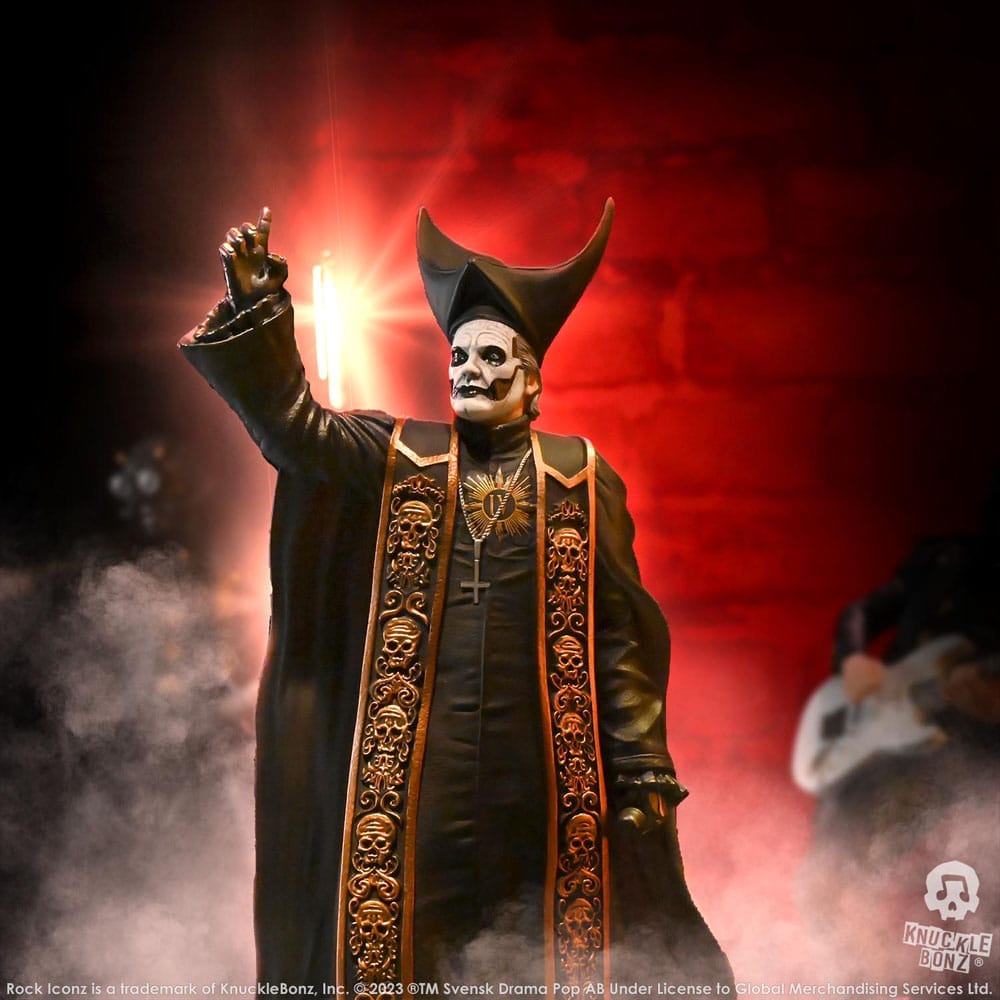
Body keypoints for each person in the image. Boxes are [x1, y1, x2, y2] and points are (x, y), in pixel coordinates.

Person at [179, 204, 732, 991]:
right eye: (460, 354)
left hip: (542, 779)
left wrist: (641, 765)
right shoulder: (400, 456)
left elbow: (618, 635)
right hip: (415, 778)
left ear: (532, 380)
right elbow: (296, 431)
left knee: (536, 951)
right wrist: (261, 306)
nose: (469, 369)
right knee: (412, 946)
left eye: (491, 356)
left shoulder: (579, 478)